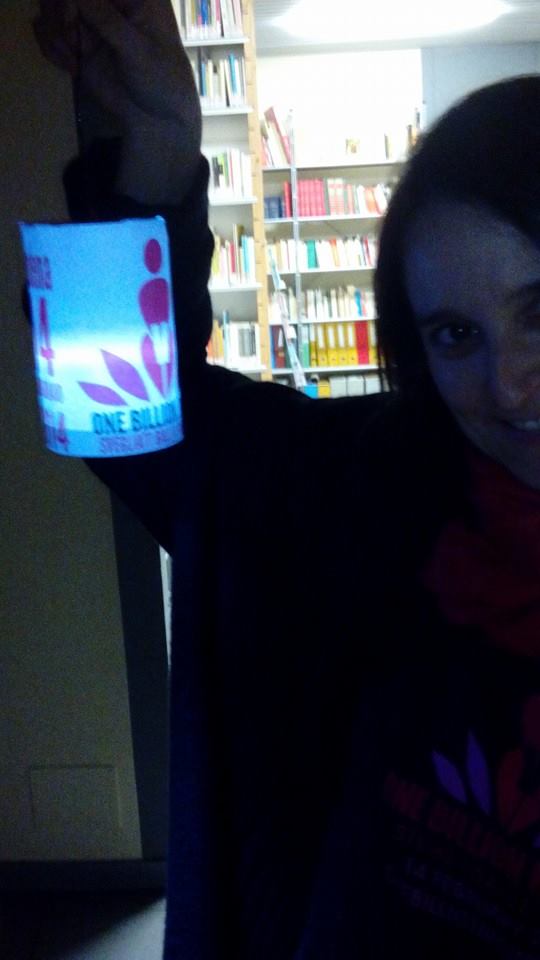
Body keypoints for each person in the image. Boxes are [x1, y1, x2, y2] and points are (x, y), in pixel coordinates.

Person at [32, 2, 540, 957]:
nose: (508, 384)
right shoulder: (364, 491)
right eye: (454, 333)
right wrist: (153, 152)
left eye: (539, 310)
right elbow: (117, 420)